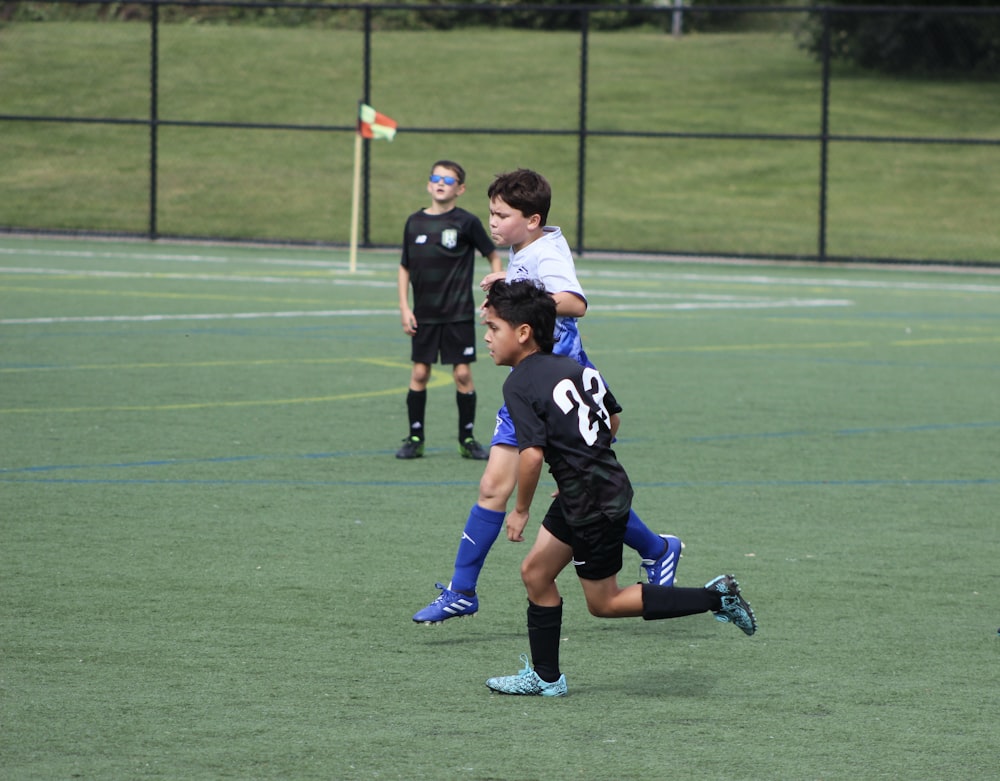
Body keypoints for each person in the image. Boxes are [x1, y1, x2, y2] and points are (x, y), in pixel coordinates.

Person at [412, 168, 682, 624]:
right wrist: (503, 297)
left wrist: (519, 297)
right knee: (494, 485)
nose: (493, 222)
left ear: (532, 219)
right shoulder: (524, 249)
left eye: (502, 215)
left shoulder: (546, 252)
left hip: (557, 388)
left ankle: (658, 548)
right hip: (531, 381)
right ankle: (462, 590)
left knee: (581, 494)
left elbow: (575, 303)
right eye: (492, 213)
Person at [479, 279, 756, 696]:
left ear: (523, 332)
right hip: (593, 489)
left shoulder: (519, 383)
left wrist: (519, 510)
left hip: (590, 500)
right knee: (535, 573)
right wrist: (583, 466)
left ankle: (716, 597)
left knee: (604, 603)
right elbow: (612, 419)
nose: (486, 337)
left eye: (493, 327)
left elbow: (532, 455)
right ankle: (546, 677)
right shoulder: (576, 367)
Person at [396, 160, 503, 460]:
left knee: (462, 375)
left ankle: (467, 439)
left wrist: (495, 290)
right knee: (419, 373)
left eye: (449, 179)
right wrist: (405, 308)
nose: (441, 183)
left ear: (461, 188)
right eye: (436, 177)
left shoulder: (466, 222)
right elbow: (404, 267)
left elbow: (493, 256)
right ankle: (415, 437)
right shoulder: (414, 222)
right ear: (429, 184)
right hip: (424, 314)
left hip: (457, 313)